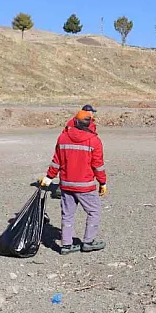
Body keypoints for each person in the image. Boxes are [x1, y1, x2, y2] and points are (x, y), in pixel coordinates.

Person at [39, 105, 108, 255]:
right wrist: (102, 182)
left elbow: (56, 161)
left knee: (67, 215)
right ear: (90, 123)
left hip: (67, 185)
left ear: (74, 121)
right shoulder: (94, 141)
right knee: (94, 212)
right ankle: (88, 242)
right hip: (86, 186)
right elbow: (98, 165)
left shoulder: (63, 138)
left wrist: (49, 177)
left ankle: (66, 245)